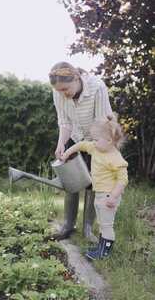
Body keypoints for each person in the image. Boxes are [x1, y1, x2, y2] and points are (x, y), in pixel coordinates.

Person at [49, 61, 113, 241]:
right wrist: (61, 143)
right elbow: (64, 122)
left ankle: (87, 229)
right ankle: (68, 225)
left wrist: (95, 151)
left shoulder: (97, 87)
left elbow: (102, 122)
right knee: (71, 181)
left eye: (66, 89)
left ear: (76, 78)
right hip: (75, 137)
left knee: (94, 183)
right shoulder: (58, 92)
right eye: (59, 90)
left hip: (98, 139)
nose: (63, 94)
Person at [61, 115, 128, 259]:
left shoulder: (116, 159)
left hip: (109, 196)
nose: (94, 142)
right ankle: (101, 247)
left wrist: (113, 197)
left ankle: (104, 253)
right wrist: (67, 153)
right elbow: (81, 145)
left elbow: (123, 180)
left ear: (109, 141)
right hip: (99, 194)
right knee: (102, 223)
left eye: (97, 140)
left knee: (106, 225)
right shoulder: (96, 148)